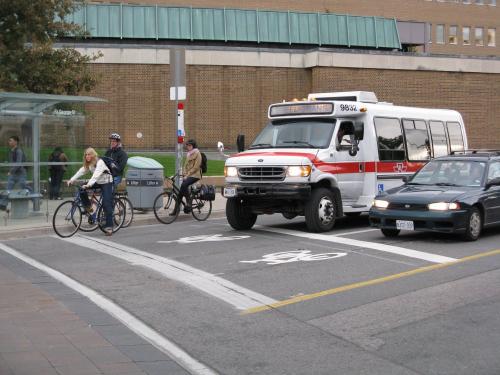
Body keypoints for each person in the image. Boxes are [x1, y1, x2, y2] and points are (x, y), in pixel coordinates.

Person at [67, 148, 114, 235]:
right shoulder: (89, 164)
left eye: (89, 154)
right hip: (98, 182)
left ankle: (109, 227)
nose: (87, 156)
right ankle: (89, 208)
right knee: (82, 189)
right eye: (86, 155)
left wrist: (88, 185)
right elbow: (81, 171)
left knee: (106, 203)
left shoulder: (100, 162)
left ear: (93, 155)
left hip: (107, 182)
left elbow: (95, 176)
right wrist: (71, 180)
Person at [176, 139, 202, 214]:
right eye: (187, 145)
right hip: (188, 175)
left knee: (184, 185)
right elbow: (185, 166)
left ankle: (188, 202)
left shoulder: (197, 153)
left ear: (193, 146)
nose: (188, 147)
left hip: (195, 175)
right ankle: (175, 211)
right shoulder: (188, 154)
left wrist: (187, 175)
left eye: (189, 145)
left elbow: (196, 167)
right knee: (180, 194)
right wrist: (183, 173)